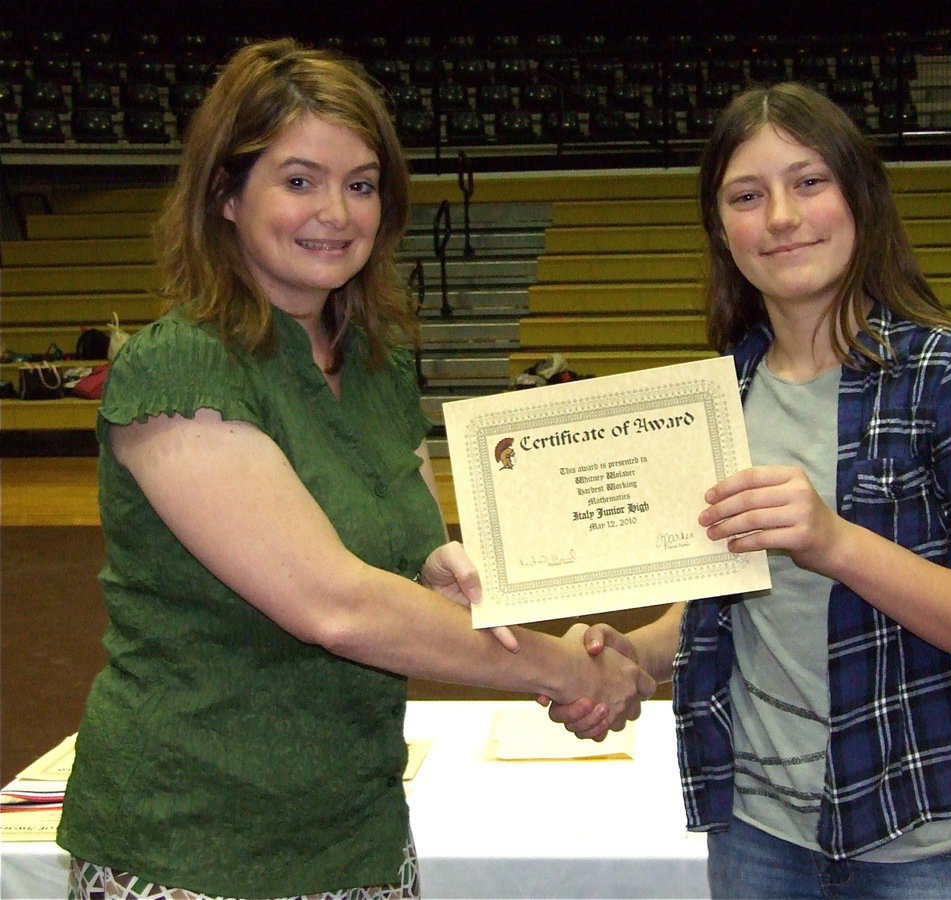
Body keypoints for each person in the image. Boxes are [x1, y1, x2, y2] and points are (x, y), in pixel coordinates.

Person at [57, 39, 654, 900]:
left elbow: (399, 549)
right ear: (226, 194)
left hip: (357, 832)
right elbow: (334, 604)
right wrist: (561, 671)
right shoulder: (179, 369)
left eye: (361, 183)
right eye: (299, 180)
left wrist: (437, 566)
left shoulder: (375, 363)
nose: (335, 212)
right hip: (190, 843)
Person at [546, 82, 951, 899]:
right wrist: (635, 655)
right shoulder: (719, 400)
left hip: (934, 841)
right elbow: (723, 600)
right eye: (747, 196)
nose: (782, 217)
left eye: (809, 182)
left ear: (859, 197)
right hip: (759, 835)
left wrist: (838, 544)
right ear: (723, 230)